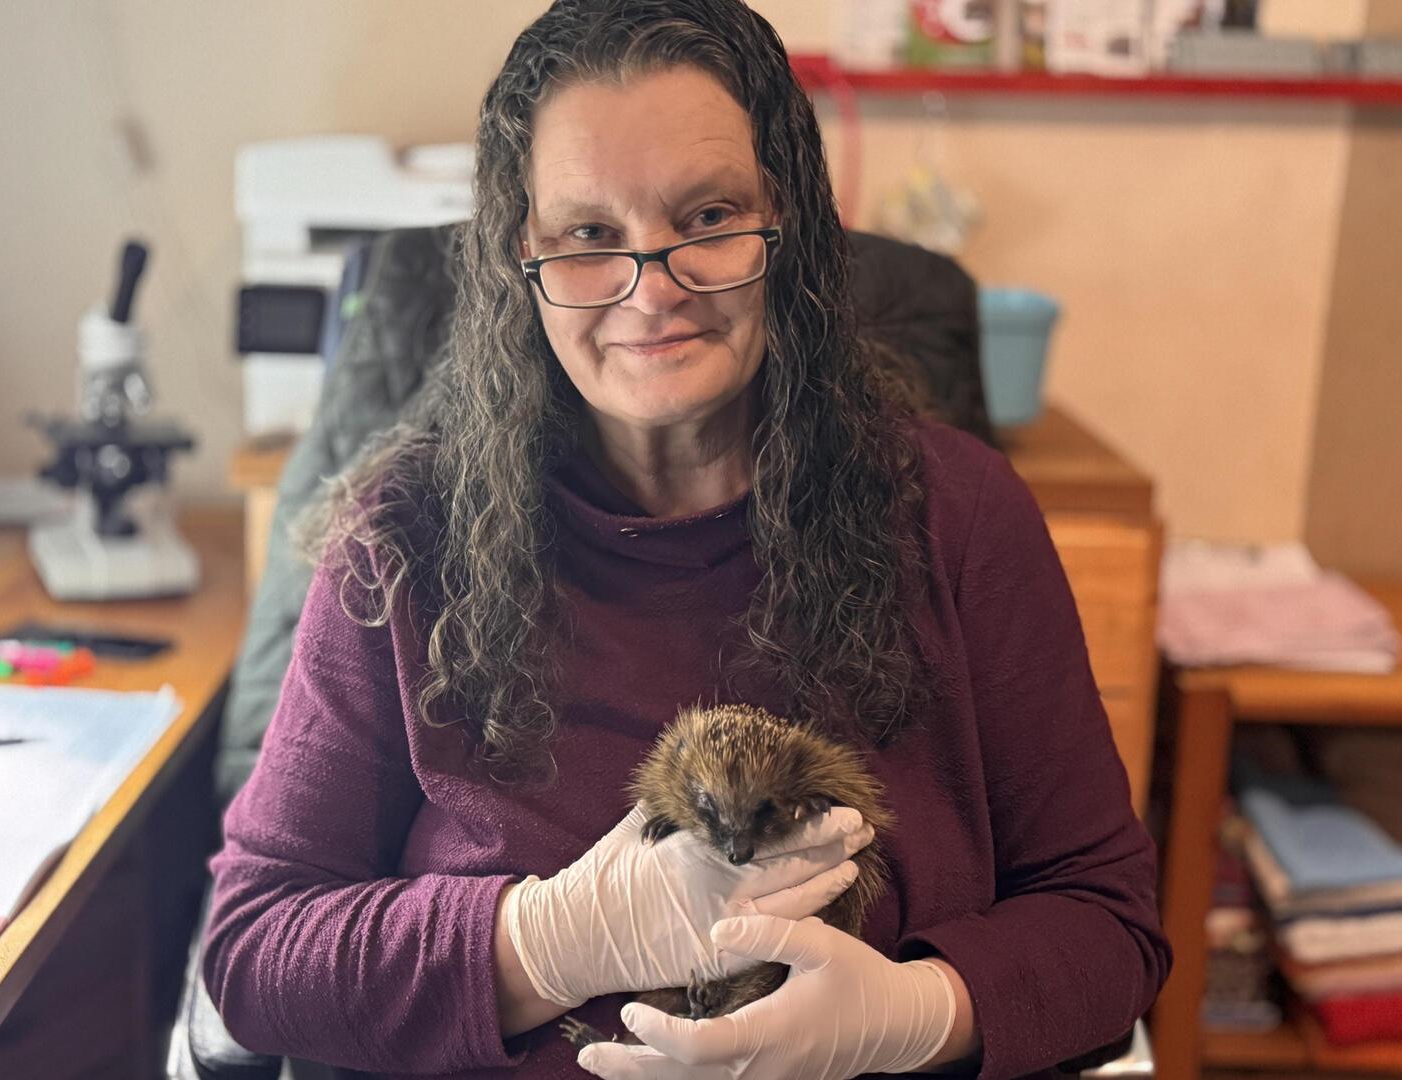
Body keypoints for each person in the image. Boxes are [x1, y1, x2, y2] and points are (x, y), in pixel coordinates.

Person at [203, 1, 1170, 1077]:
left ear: (785, 221)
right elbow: (253, 951)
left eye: (705, 218)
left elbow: (1110, 925)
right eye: (588, 237)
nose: (651, 289)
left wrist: (915, 1012)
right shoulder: (404, 539)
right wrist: (550, 940)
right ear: (521, 258)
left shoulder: (960, 517)